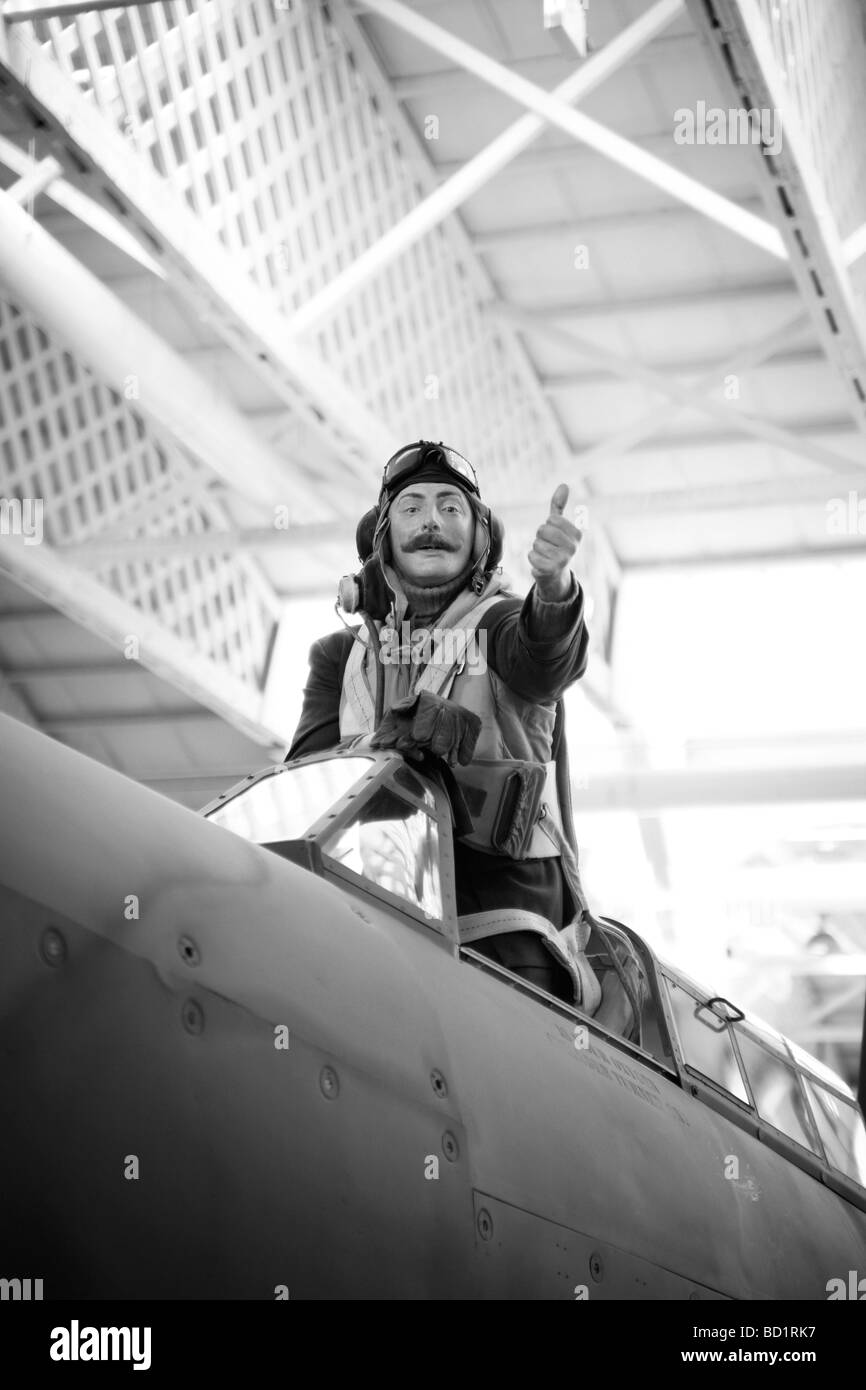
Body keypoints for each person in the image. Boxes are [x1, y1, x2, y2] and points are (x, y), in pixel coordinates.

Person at [286, 441, 592, 1001]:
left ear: (480, 538)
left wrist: (553, 590)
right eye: (412, 508)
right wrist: (387, 754)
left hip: (508, 941)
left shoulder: (502, 626)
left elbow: (548, 659)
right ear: (381, 540)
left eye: (451, 508)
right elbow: (307, 786)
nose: (432, 521)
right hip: (371, 931)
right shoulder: (338, 657)